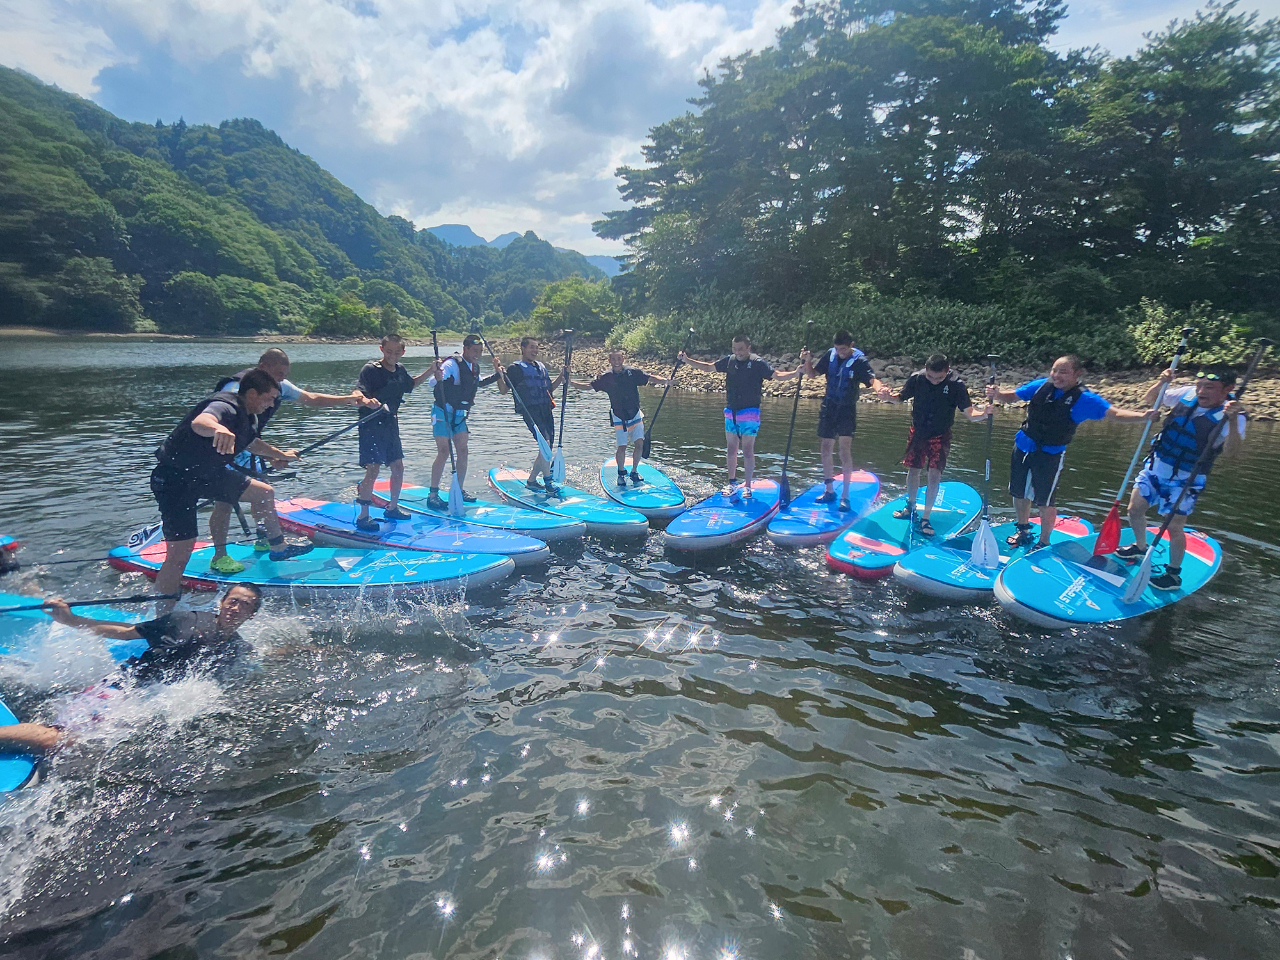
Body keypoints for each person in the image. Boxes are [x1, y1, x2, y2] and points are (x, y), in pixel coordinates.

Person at [0, 585, 262, 754]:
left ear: (252, 615)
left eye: (245, 605)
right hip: (124, 687)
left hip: (147, 703)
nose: (236, 607)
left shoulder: (238, 649)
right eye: (233, 601)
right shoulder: (186, 620)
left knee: (85, 746)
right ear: (221, 603)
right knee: (56, 740)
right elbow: (125, 633)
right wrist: (71, 620)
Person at [208, 347, 377, 573]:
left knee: (262, 492)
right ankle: (219, 556)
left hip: (250, 446)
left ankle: (264, 539)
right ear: (263, 367)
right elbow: (236, 435)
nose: (280, 382)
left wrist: (350, 399)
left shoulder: (278, 386)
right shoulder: (235, 390)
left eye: (284, 376)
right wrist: (276, 454)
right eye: (278, 375)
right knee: (224, 503)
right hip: (224, 449)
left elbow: (311, 399)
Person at [150, 368, 312, 600]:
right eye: (268, 399)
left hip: (208, 474)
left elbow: (252, 443)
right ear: (253, 394)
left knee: (264, 493)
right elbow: (201, 422)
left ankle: (278, 547)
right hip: (175, 480)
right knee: (180, 553)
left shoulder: (249, 417)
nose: (271, 405)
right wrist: (218, 428)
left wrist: (281, 455)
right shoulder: (225, 405)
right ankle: (161, 612)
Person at [986, 355, 1150, 548]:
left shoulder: (1085, 399)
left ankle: (1044, 540)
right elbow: (1012, 396)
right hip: (1023, 446)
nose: (1056, 376)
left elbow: (1115, 414)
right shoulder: (1041, 386)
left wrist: (1143, 416)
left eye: (1063, 372)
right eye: (1054, 370)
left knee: (1044, 500)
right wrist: (997, 393)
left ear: (1077, 374)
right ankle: (1023, 529)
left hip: (1050, 454)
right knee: (1019, 493)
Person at [1114, 365, 1247, 589]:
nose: (1201, 391)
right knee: (1134, 510)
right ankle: (1140, 546)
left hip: (1186, 478)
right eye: (1200, 385)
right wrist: (1161, 382)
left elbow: (1232, 454)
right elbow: (1150, 399)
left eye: (1210, 387)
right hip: (1156, 467)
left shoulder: (1233, 415)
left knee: (1174, 527)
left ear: (1228, 389)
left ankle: (1173, 574)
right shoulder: (1186, 394)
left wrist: (1232, 421)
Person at [680, 334, 802, 497]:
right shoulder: (729, 361)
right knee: (731, 449)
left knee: (747, 450)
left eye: (741, 349)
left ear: (748, 348)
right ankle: (732, 483)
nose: (738, 352)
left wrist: (796, 373)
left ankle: (748, 486)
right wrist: (687, 360)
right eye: (735, 349)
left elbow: (778, 376)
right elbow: (708, 367)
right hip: (731, 412)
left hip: (750, 413)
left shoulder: (757, 363)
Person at [876, 354, 987, 536]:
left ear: (947, 371)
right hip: (917, 432)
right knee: (913, 470)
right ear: (925, 370)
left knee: (934, 475)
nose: (934, 381)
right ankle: (910, 507)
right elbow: (899, 398)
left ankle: (926, 518)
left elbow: (970, 413)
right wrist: (888, 397)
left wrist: (984, 414)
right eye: (930, 376)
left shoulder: (956, 385)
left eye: (939, 378)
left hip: (940, 435)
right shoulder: (917, 379)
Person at [354, 334, 440, 531]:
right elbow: (357, 392)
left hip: (390, 424)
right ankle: (363, 515)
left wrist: (431, 370)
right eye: (389, 351)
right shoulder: (370, 370)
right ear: (382, 349)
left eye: (396, 352)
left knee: (398, 467)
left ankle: (392, 507)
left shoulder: (400, 370)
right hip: (370, 425)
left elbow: (411, 385)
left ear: (403, 352)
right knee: (373, 468)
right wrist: (367, 401)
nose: (392, 356)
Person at [799, 331, 888, 511]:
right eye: (838, 349)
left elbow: (872, 379)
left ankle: (845, 496)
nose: (841, 352)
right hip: (829, 406)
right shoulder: (830, 355)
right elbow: (812, 374)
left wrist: (880, 389)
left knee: (844, 450)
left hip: (847, 409)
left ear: (851, 345)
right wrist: (807, 360)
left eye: (844, 349)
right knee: (825, 448)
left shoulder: (859, 361)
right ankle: (829, 490)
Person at [425, 334, 508, 510]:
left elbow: (479, 384)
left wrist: (498, 374)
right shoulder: (451, 364)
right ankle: (432, 495)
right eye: (474, 351)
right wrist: (438, 376)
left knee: (463, 450)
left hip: (459, 415)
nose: (476, 354)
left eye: (479, 351)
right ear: (465, 349)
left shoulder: (474, 367)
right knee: (444, 451)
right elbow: (432, 382)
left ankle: (459, 489)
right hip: (442, 412)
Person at [569, 348, 671, 486]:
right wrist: (570, 382)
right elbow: (588, 387)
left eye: (619, 358)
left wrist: (665, 381)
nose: (616, 362)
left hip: (635, 414)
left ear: (623, 359)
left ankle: (634, 471)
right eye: (613, 359)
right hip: (619, 417)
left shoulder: (633, 373)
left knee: (639, 443)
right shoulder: (606, 377)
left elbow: (650, 378)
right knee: (622, 446)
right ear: (609, 360)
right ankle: (621, 473)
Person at [502, 337, 568, 496]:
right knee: (544, 444)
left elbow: (549, 388)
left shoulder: (541, 367)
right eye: (531, 347)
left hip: (546, 409)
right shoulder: (515, 369)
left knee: (547, 447)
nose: (534, 351)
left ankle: (531, 481)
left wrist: (562, 376)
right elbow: (504, 390)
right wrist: (499, 373)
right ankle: (548, 482)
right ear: (523, 348)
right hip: (530, 411)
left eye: (536, 348)